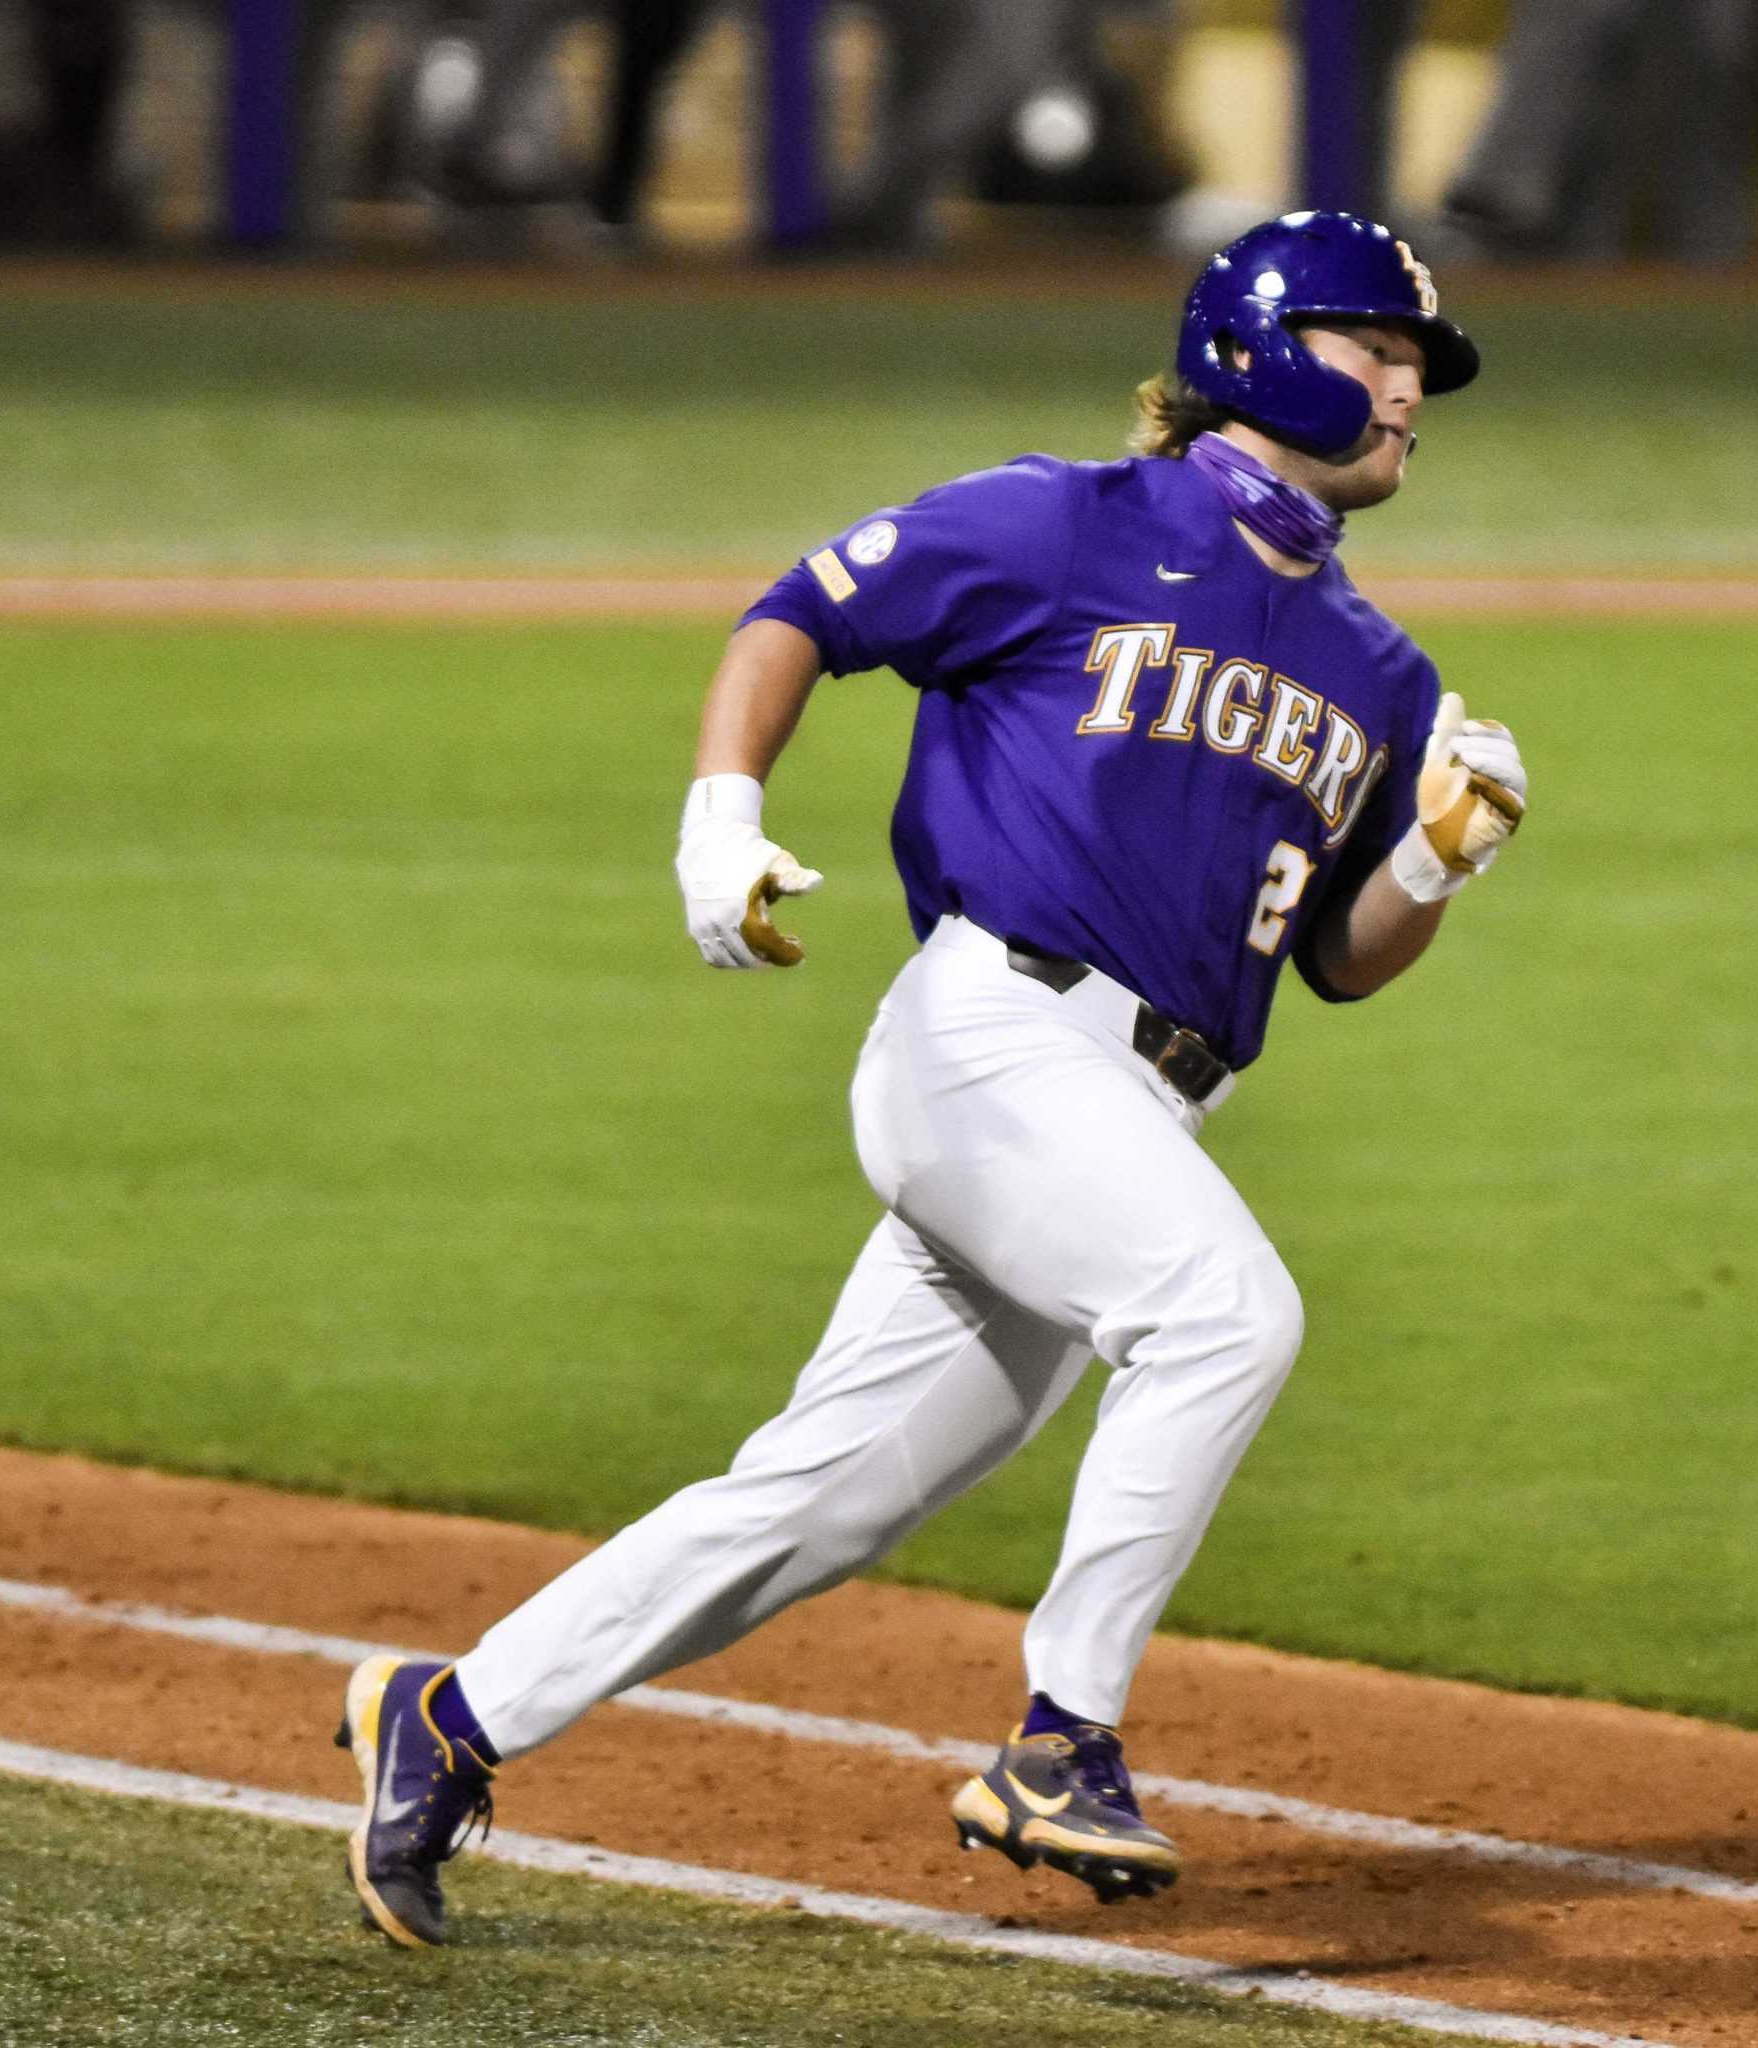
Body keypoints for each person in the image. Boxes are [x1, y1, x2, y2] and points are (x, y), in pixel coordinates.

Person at [332, 209, 1532, 1946]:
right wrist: (721, 822)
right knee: (1225, 1316)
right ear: (1259, 352)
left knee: (825, 1497)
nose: (1413, 394)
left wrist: (1435, 856)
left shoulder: (1380, 668)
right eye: (1380, 354)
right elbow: (800, 612)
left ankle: (451, 1719)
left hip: (1133, 1110)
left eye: (1423, 369)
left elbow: (1336, 961)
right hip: (992, 1040)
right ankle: (1064, 1738)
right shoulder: (1065, 522)